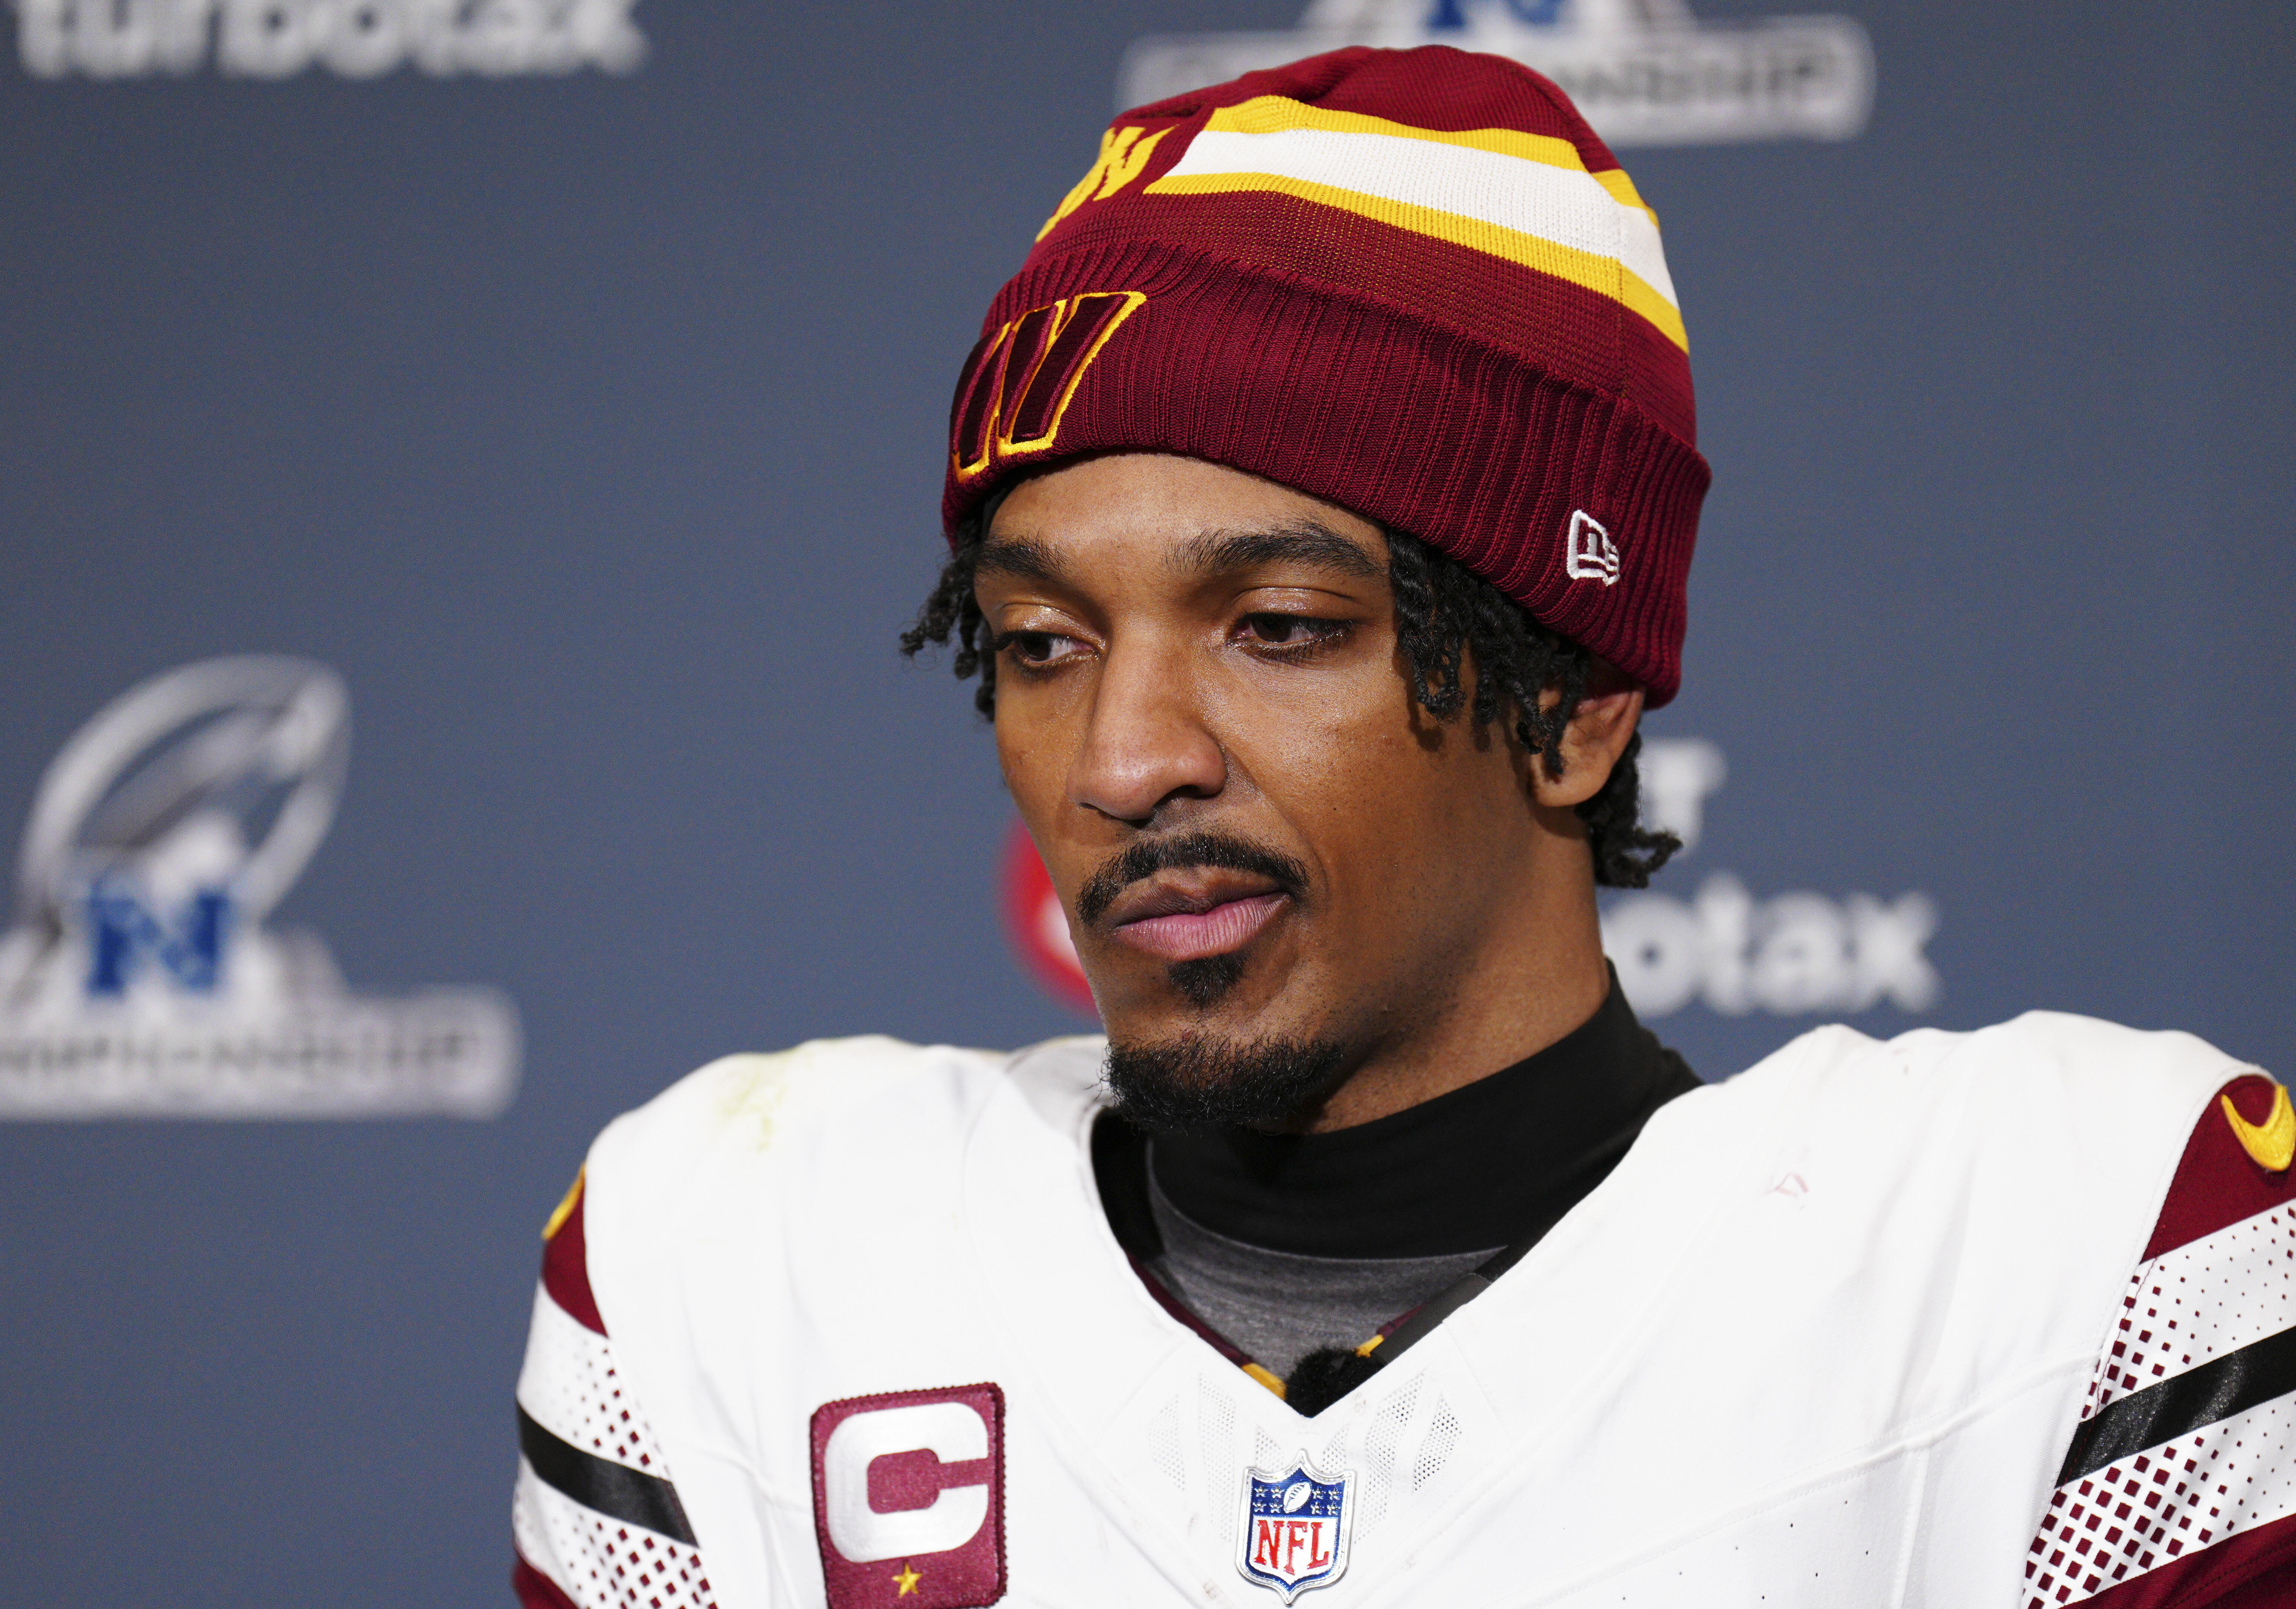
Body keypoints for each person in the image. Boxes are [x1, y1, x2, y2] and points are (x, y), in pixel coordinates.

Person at [507, 44, 2296, 1609]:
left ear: (1573, 703)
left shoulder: (2066, 1261)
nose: (1119, 763)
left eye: (1279, 629)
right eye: (1042, 646)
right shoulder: (732, 1265)